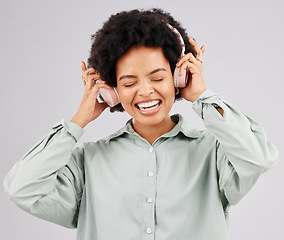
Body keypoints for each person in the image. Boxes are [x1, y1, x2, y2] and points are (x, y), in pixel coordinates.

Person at [4, 8, 279, 240]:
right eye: (129, 83)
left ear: (179, 77)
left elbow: (260, 157)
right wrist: (79, 120)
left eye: (158, 78)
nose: (145, 91)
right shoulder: (87, 162)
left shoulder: (214, 153)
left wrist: (202, 97)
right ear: (112, 91)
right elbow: (22, 188)